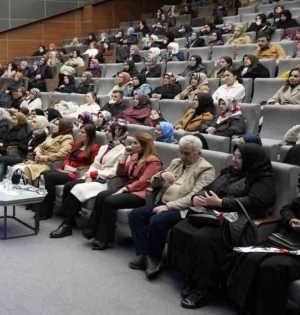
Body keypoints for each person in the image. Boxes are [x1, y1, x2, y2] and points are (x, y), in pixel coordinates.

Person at [168, 144, 276, 309]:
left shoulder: (262, 178)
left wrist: (222, 202)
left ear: (251, 160)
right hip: (214, 212)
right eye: (234, 155)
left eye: (239, 157)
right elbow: (209, 188)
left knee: (203, 239)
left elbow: (256, 201)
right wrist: (198, 197)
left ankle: (206, 289)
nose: (234, 159)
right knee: (180, 229)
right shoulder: (229, 172)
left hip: (238, 218)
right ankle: (193, 277)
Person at [128, 135, 215, 279]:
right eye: (180, 152)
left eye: (186, 153)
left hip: (184, 209)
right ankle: (145, 255)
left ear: (198, 153)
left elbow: (194, 197)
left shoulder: (206, 170)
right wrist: (161, 175)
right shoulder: (176, 162)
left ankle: (155, 259)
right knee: (135, 215)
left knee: (157, 221)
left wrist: (169, 206)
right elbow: (154, 184)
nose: (182, 156)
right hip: (163, 203)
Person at [83, 132, 162, 250]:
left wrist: (125, 189)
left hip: (141, 194)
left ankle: (106, 239)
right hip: (129, 188)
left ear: (144, 145)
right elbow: (121, 173)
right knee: (101, 195)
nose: (132, 145)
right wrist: (124, 156)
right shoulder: (134, 156)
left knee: (110, 201)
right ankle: (92, 230)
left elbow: (144, 182)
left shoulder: (153, 161)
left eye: (135, 143)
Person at [50, 122, 128, 238]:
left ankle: (67, 225)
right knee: (71, 185)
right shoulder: (104, 147)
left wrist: (94, 173)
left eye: (108, 131)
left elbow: (114, 171)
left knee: (78, 189)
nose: (105, 133)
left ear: (117, 134)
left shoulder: (124, 151)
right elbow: (95, 164)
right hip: (94, 176)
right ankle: (69, 220)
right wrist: (89, 174)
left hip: (107, 180)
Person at [226, 195, 300, 314]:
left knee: (272, 267)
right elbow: (287, 209)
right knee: (251, 256)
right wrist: (291, 220)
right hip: (291, 241)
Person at [38, 124, 100, 219]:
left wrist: (75, 169)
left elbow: (93, 165)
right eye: (79, 131)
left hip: (76, 173)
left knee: (50, 177)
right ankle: (43, 207)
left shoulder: (94, 148)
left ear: (89, 135)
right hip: (66, 169)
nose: (79, 134)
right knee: (44, 174)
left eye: (82, 132)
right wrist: (66, 165)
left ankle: (46, 212)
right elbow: (67, 157)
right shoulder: (77, 143)